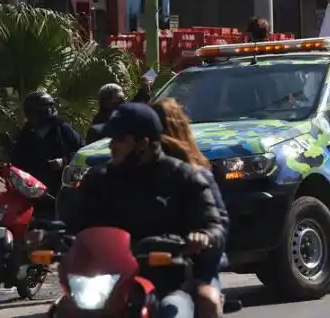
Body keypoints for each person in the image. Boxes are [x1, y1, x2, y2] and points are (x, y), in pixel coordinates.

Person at [67, 103, 226, 318]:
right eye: (111, 140)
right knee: (65, 310)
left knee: (182, 309)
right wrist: (48, 235)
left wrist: (203, 237)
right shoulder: (99, 179)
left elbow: (214, 224)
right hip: (109, 280)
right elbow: (76, 222)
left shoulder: (184, 177)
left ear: (143, 143)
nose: (112, 146)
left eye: (120, 140)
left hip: (171, 279)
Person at [152, 98, 228, 318]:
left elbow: (219, 223)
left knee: (207, 300)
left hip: (192, 266)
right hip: (146, 266)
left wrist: (202, 239)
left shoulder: (196, 175)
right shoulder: (134, 176)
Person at [10, 91, 84, 218]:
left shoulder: (63, 129)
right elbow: (17, 160)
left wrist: (64, 161)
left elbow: (82, 152)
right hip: (35, 193)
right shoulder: (26, 133)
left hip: (63, 189)